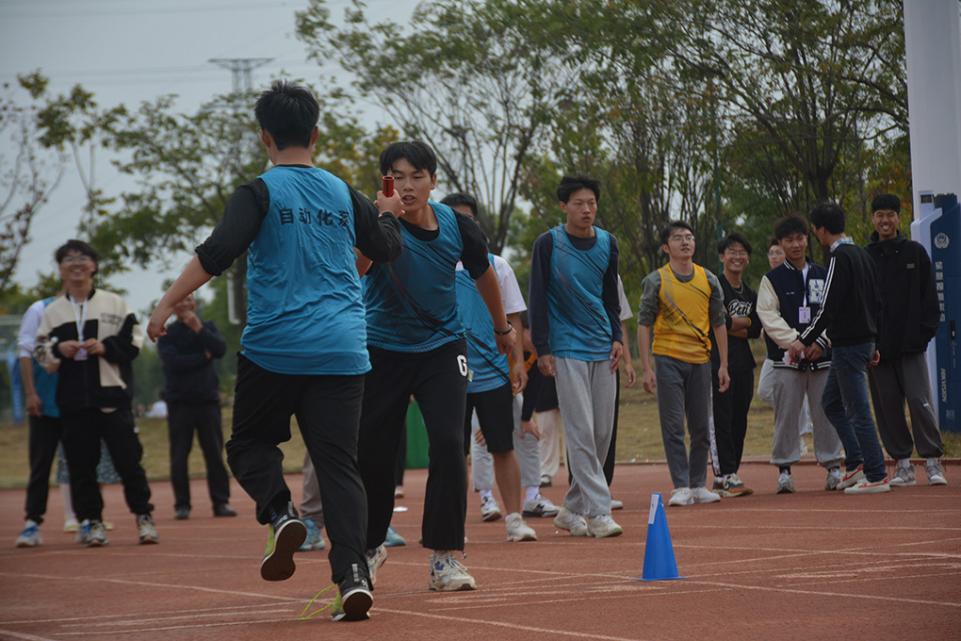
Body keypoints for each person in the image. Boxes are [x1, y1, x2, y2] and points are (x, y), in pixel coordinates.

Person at [147, 81, 404, 622]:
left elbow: (217, 252)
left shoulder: (259, 192)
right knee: (338, 465)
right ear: (315, 134)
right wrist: (385, 213)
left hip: (274, 349)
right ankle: (354, 574)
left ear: (265, 137)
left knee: (247, 445)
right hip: (341, 348)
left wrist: (168, 303)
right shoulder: (342, 192)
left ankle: (281, 511)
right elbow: (384, 250)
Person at [356, 141, 514, 592]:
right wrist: (382, 220)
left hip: (442, 347)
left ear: (432, 181)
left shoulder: (457, 226)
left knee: (448, 442)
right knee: (375, 450)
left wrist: (503, 329)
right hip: (382, 347)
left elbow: (484, 272)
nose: (406, 186)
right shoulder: (373, 219)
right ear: (385, 180)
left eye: (416, 177)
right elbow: (357, 269)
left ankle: (445, 557)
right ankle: (370, 548)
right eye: (397, 177)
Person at [35, 240, 157, 547]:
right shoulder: (52, 312)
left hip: (113, 397)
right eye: (69, 259)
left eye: (83, 258)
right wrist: (57, 349)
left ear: (94, 266)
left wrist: (106, 347)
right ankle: (92, 522)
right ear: (61, 269)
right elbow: (40, 352)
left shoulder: (115, 304)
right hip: (74, 401)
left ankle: (144, 517)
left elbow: (134, 343)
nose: (77, 263)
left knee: (129, 461)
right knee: (81, 466)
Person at [442, 192, 552, 534]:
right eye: (454, 218)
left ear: (476, 223)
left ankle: (515, 518)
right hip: (447, 372)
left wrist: (517, 362)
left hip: (492, 371)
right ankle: (450, 524)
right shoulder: (434, 263)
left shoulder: (496, 264)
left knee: (503, 445)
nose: (463, 224)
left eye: (468, 219)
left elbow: (514, 318)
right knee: (452, 451)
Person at [528, 175, 624, 538]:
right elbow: (537, 297)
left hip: (603, 344)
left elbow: (610, 296)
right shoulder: (548, 244)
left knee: (601, 432)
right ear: (564, 206)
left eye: (592, 203)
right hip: (566, 346)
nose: (587, 210)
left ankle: (570, 508)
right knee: (581, 430)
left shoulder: (608, 244)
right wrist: (543, 347)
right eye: (579, 203)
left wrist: (617, 337)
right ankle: (598, 511)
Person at [789, 202, 889, 494]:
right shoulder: (863, 254)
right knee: (831, 402)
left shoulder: (839, 257)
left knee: (858, 410)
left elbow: (827, 307)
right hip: (862, 342)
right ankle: (857, 462)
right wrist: (875, 342)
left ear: (820, 230)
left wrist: (803, 339)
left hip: (849, 345)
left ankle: (877, 474)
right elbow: (878, 303)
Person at [637, 221, 728, 507]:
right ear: (666, 247)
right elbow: (644, 324)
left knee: (701, 425)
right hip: (668, 360)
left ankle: (699, 484)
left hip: (701, 360)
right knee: (673, 425)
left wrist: (723, 364)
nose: (685, 243)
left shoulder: (709, 279)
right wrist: (647, 368)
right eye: (678, 239)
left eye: (689, 237)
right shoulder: (656, 281)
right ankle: (681, 485)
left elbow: (719, 322)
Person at [756, 216, 844, 492]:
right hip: (787, 359)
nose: (795, 244)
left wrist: (820, 340)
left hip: (822, 356)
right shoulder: (771, 279)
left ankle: (833, 467)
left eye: (800, 238)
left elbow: (836, 311)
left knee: (826, 412)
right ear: (780, 244)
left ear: (808, 238)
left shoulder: (824, 272)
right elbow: (767, 315)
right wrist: (794, 341)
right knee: (787, 415)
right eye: (789, 240)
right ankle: (784, 469)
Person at [865, 194, 946, 486]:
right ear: (873, 219)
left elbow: (930, 298)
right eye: (879, 215)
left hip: (911, 345)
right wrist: (868, 341)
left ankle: (933, 461)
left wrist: (924, 333)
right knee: (887, 406)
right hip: (877, 349)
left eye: (890, 215)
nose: (885, 221)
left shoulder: (915, 252)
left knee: (918, 399)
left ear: (899, 217)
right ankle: (902, 465)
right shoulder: (867, 256)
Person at [157, 292, 235, 519]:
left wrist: (198, 328)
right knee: (179, 455)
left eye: (188, 299)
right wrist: (203, 358)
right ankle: (182, 504)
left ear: (194, 303)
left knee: (214, 453)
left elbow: (219, 350)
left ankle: (221, 502)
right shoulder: (166, 332)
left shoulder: (207, 327)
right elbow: (173, 363)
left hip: (207, 400)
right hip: (179, 402)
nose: (184, 303)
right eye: (179, 299)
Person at [15, 294, 74, 546]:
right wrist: (30, 393)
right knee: (41, 464)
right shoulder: (40, 309)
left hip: (79, 403)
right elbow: (26, 350)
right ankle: (32, 523)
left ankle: (87, 519)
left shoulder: (93, 309)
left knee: (82, 465)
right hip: (46, 403)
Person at [709, 233, 761, 498]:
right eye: (732, 251)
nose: (737, 256)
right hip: (718, 362)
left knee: (740, 419)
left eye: (742, 252)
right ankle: (724, 474)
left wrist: (738, 323)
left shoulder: (750, 292)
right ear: (722, 256)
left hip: (744, 363)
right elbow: (720, 322)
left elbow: (756, 328)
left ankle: (732, 473)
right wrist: (740, 323)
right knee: (722, 418)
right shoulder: (715, 286)